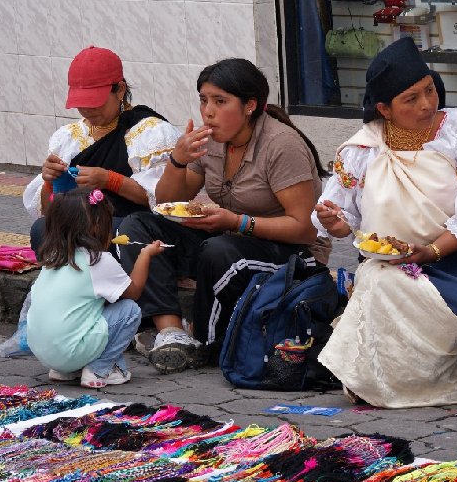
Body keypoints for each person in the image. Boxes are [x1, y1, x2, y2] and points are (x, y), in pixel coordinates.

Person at [313, 37, 457, 409]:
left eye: (429, 91)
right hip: (389, 266)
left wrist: (430, 251)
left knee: (451, 300)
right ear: (385, 109)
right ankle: (383, 384)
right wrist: (334, 222)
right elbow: (346, 222)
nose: (427, 104)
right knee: (378, 281)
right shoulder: (362, 150)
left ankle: (405, 384)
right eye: (411, 99)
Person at [119, 58, 331, 375]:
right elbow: (166, 201)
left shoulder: (281, 144)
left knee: (219, 251)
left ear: (249, 105)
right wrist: (177, 160)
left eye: (220, 101)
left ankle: (206, 342)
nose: (208, 111)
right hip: (230, 238)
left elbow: (304, 229)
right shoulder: (210, 141)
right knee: (137, 227)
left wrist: (237, 222)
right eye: (204, 100)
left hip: (292, 255)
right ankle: (172, 333)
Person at [22, 46, 180, 258]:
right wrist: (50, 182)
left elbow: (164, 198)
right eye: (81, 104)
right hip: (82, 222)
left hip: (133, 225)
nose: (87, 110)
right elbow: (50, 211)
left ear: (120, 89)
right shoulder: (67, 138)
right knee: (42, 229)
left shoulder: (151, 133)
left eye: (95, 102)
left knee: (111, 231)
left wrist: (109, 180)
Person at [26, 188, 164, 389]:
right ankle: (99, 369)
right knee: (129, 311)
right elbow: (133, 292)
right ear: (97, 226)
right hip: (70, 351)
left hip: (44, 353)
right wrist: (145, 255)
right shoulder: (97, 261)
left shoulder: (53, 257)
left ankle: (64, 371)